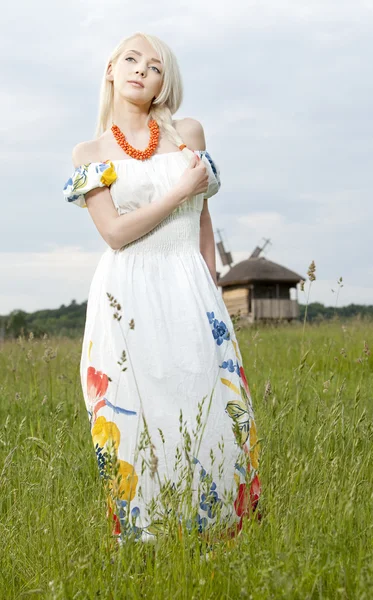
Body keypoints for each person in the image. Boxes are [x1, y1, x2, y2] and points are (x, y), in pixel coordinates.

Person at [62, 31, 261, 545]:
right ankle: (149, 541)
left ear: (163, 83)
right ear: (110, 70)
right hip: (126, 289)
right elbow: (115, 233)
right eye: (130, 59)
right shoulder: (90, 151)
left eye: (154, 67)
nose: (140, 71)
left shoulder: (187, 133)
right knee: (136, 412)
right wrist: (178, 190)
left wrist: (212, 289)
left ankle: (217, 534)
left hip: (188, 283)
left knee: (204, 404)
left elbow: (202, 223)